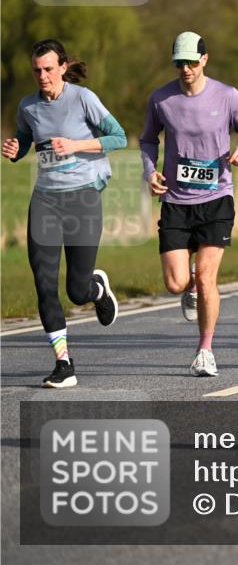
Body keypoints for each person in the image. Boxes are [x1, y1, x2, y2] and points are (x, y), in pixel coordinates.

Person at [3, 39, 126, 388]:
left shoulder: (83, 98)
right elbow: (27, 141)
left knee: (76, 290)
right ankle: (63, 362)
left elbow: (117, 137)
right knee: (44, 285)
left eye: (47, 69)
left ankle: (97, 290)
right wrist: (15, 149)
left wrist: (76, 144)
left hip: (83, 197)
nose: (42, 76)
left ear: (62, 67)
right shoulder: (28, 106)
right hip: (45, 199)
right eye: (36, 70)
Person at [141, 32, 238, 376]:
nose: (186, 69)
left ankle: (205, 350)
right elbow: (149, 139)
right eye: (180, 63)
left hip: (216, 199)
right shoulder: (161, 99)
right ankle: (189, 285)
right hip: (176, 201)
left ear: (204, 60)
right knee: (176, 283)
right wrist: (150, 171)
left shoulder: (226, 96)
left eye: (192, 62)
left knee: (208, 276)